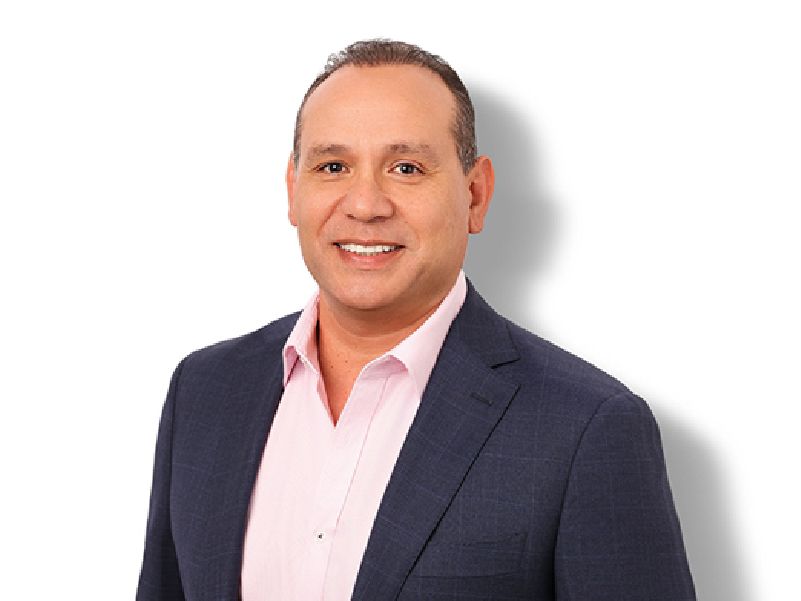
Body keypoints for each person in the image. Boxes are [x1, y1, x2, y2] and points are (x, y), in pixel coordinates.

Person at [136, 40, 696, 601]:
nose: (365, 204)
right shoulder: (205, 392)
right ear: (293, 189)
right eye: (333, 166)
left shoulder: (585, 428)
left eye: (406, 168)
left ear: (475, 195)